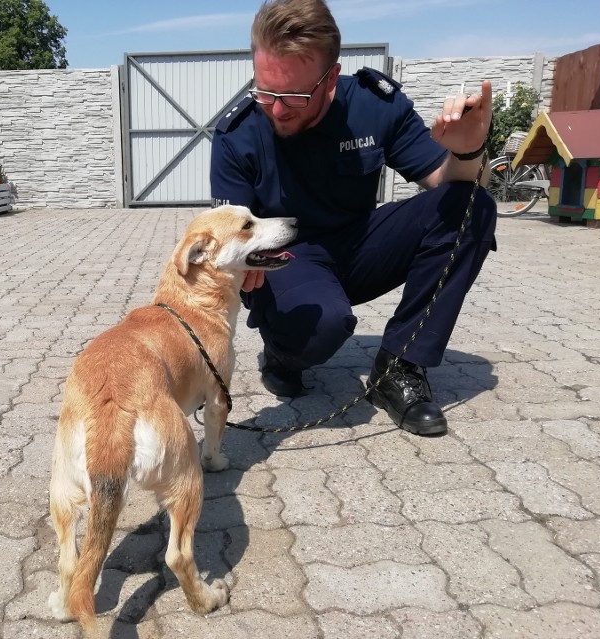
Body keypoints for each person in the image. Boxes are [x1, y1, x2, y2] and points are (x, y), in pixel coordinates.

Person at [209, 0, 497, 436]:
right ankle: (283, 354)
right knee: (322, 326)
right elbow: (232, 239)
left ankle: (400, 366)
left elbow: (447, 180)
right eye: (265, 92)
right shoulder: (237, 134)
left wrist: (468, 150)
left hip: (362, 246)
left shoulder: (373, 105)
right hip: (290, 260)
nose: (278, 109)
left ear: (331, 79)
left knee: (473, 205)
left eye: (295, 97)